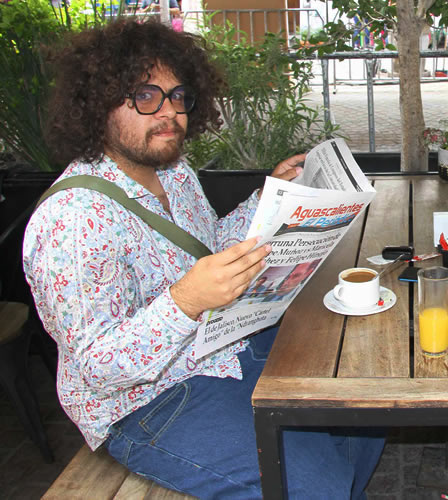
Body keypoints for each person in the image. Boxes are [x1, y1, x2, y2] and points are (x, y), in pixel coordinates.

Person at [23, 20, 383, 499]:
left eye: (178, 96)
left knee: (365, 395)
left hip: (220, 344)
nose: (170, 112)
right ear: (98, 102)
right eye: (146, 96)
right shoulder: (70, 221)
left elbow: (209, 245)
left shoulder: (172, 171)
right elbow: (97, 369)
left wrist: (271, 197)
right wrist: (185, 302)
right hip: (144, 403)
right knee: (316, 484)